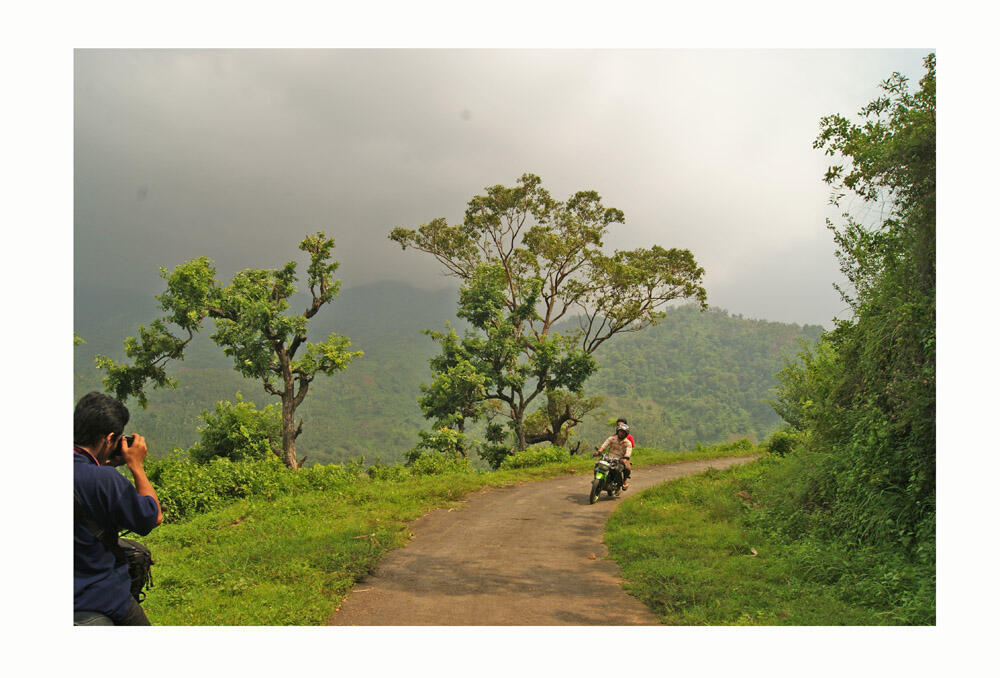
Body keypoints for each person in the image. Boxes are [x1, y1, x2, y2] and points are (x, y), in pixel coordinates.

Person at [74, 391, 163, 625]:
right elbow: (151, 518)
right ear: (109, 439)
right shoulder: (104, 480)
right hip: (98, 597)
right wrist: (136, 465)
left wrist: (102, 463)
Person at [596, 423, 633, 490]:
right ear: (617, 431)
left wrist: (625, 458)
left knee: (626, 468)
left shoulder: (628, 443)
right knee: (597, 464)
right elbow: (604, 445)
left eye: (623, 432)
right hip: (609, 457)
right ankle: (596, 478)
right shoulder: (611, 439)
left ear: (626, 434)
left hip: (620, 459)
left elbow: (629, 451)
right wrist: (599, 451)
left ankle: (624, 481)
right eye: (620, 431)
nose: (621, 433)